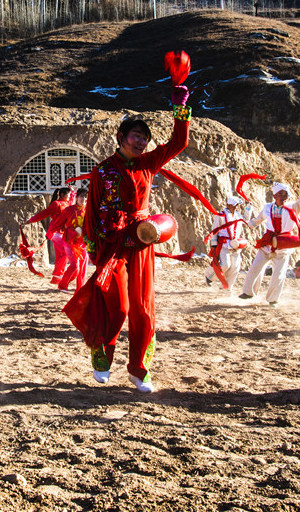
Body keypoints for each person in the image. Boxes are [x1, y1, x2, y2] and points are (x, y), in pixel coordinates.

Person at [63, 85, 191, 393]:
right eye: (135, 135)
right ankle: (102, 357)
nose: (141, 141)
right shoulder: (103, 170)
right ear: (121, 138)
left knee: (143, 307)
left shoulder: (148, 164)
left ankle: (139, 370)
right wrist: (93, 247)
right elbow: (92, 209)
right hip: (112, 241)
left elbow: (179, 142)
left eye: (144, 137)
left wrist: (180, 109)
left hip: (142, 240)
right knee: (117, 305)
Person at [238, 178, 300, 307]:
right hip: (267, 243)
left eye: (285, 194)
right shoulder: (267, 207)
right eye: (280, 194)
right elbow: (258, 220)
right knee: (255, 268)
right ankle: (248, 292)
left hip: (283, 245)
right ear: (274, 195)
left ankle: (273, 299)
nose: (283, 197)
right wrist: (248, 223)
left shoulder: (292, 207)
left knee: (279, 274)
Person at [24, 187, 73, 288]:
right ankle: (58, 273)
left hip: (63, 232)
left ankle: (56, 278)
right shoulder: (56, 204)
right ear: (62, 195)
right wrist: (32, 220)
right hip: (55, 231)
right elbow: (45, 213)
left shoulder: (67, 204)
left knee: (60, 254)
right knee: (66, 251)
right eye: (68, 194)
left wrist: (71, 190)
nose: (69, 196)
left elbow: (72, 201)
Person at [204, 195, 250, 290]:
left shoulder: (237, 215)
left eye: (237, 205)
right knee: (225, 264)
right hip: (224, 244)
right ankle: (209, 276)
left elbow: (246, 219)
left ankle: (226, 287)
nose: (236, 207)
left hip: (235, 244)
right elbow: (215, 230)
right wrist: (214, 245)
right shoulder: (220, 216)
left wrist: (249, 208)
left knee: (235, 267)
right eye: (234, 205)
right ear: (228, 205)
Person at [49, 187, 90, 293]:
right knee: (75, 265)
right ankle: (63, 285)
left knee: (82, 268)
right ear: (77, 197)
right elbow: (59, 222)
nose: (83, 200)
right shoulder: (69, 210)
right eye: (81, 197)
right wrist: (50, 232)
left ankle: (80, 289)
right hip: (70, 242)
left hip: (83, 243)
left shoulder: (89, 211)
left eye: (85, 198)